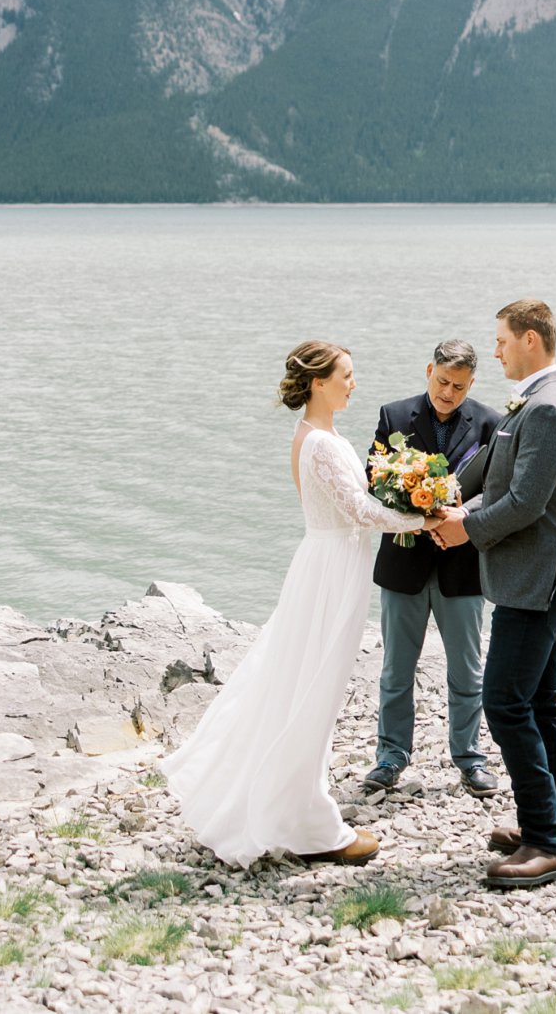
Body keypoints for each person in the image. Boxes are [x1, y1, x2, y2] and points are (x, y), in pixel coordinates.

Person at [161, 340, 425, 868]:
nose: (354, 383)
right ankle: (312, 826)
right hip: (330, 572)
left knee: (308, 688)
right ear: (318, 383)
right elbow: (356, 509)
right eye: (346, 375)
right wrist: (425, 518)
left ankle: (295, 809)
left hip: (330, 566)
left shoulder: (315, 435)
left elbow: (352, 505)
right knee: (313, 692)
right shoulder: (321, 444)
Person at [429, 298, 556, 891]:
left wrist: (464, 530)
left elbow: (526, 504)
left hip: (538, 575)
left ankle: (545, 842)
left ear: (528, 339)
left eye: (500, 340)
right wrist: (459, 510)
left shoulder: (546, 410)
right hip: (538, 572)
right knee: (542, 699)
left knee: (505, 702)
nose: (493, 351)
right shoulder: (543, 398)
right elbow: (503, 483)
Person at [364, 339, 501, 797]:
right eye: (442, 382)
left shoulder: (490, 422)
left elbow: (497, 489)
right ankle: (390, 756)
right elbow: (374, 480)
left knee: (467, 670)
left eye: (459, 387)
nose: (448, 393)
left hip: (461, 566)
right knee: (396, 670)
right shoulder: (394, 415)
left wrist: (461, 513)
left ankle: (469, 758)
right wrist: (414, 509)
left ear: (471, 384)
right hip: (403, 562)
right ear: (429, 371)